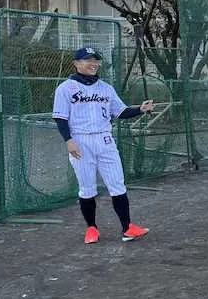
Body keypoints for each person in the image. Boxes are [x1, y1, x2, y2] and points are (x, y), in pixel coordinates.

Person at [52, 47, 153, 244]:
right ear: (76, 63)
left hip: (105, 139)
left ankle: (128, 227)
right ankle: (91, 228)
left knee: (117, 183)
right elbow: (60, 118)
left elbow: (120, 112)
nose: (93, 63)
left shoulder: (106, 88)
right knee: (87, 188)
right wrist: (68, 140)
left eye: (96, 60)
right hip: (80, 140)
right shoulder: (65, 88)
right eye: (88, 59)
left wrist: (140, 109)